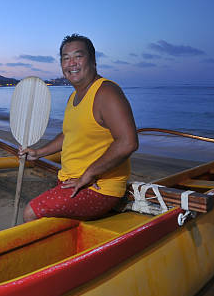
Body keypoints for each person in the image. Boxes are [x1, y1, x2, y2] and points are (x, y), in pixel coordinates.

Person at [20, 34, 138, 222]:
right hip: (73, 181)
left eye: (78, 56)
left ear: (92, 60)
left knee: (31, 212)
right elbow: (69, 135)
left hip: (99, 188)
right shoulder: (74, 97)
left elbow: (128, 142)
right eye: (65, 58)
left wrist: (89, 174)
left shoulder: (106, 92)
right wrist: (38, 153)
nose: (71, 63)